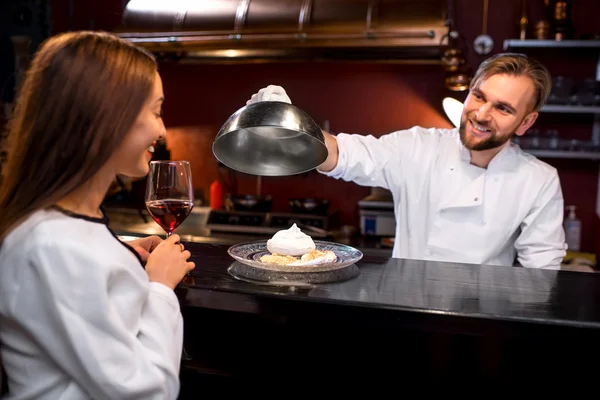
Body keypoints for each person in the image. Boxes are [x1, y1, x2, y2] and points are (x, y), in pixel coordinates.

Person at [0, 31, 195, 399]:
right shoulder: (55, 248)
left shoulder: (59, 238)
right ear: (106, 116)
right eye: (156, 110)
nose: (162, 129)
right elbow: (147, 392)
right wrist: (159, 288)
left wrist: (120, 254)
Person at [247, 52, 568, 269]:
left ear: (526, 122)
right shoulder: (418, 146)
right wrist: (291, 122)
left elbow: (542, 275)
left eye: (503, 108)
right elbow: (344, 153)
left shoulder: (538, 180)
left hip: (484, 325)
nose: (481, 114)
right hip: (405, 312)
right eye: (479, 96)